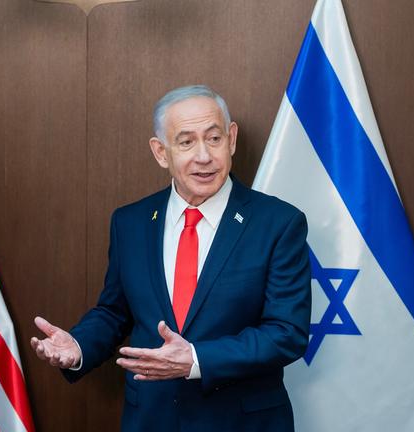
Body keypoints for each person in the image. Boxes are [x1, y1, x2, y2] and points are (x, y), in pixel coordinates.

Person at [31, 85, 311, 431]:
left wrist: (194, 359)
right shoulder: (129, 222)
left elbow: (287, 333)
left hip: (241, 421)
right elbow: (115, 311)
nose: (204, 156)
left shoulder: (279, 223)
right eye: (186, 142)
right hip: (151, 418)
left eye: (214, 139)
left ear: (232, 139)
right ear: (161, 152)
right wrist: (79, 346)